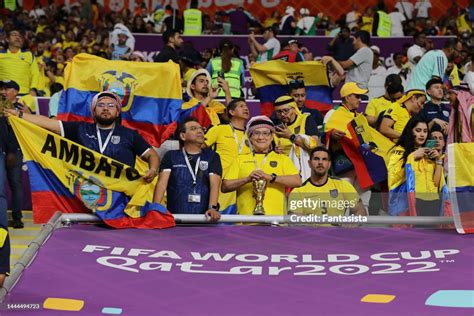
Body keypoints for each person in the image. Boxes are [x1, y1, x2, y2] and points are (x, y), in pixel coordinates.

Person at [4, 91, 159, 178]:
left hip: (121, 198)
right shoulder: (80, 129)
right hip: (86, 197)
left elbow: (152, 155)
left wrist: (152, 169)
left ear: (117, 111)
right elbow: (49, 123)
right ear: (93, 111)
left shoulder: (130, 135)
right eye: (101, 105)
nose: (106, 108)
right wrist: (19, 115)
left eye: (111, 106)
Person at [222, 116, 301, 216]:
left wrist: (271, 177)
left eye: (265, 133)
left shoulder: (282, 159)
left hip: (275, 221)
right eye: (256, 133)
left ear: (272, 136)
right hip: (245, 221)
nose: (261, 137)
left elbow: (297, 181)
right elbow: (225, 187)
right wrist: (247, 179)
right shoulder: (240, 159)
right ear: (250, 137)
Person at [153, 117, 221, 221]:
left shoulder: (212, 156)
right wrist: (155, 209)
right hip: (175, 219)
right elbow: (162, 184)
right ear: (183, 136)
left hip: (205, 219)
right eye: (193, 128)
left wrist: (212, 207)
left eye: (201, 129)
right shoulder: (171, 156)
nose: (199, 131)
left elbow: (214, 184)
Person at [324, 82, 372, 210]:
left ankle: (362, 227)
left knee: (364, 199)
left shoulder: (359, 117)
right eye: (356, 96)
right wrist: (332, 134)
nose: (360, 100)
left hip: (362, 165)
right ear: (347, 97)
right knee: (344, 200)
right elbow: (324, 135)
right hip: (346, 164)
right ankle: (342, 230)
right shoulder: (334, 114)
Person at [288, 146, 367, 220]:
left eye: (324, 159)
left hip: (337, 233)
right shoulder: (297, 192)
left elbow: (360, 211)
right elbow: (295, 218)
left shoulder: (343, 185)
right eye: (316, 159)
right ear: (309, 163)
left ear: (329, 164)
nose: (320, 162)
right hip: (311, 233)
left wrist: (352, 224)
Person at [388, 115, 445, 216]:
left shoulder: (430, 153)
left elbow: (436, 184)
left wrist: (438, 161)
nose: (422, 135)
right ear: (411, 131)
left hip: (433, 201)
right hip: (411, 201)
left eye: (425, 131)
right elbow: (394, 178)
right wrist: (412, 156)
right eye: (418, 130)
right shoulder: (400, 151)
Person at [204, 99, 251, 214]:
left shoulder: (252, 135)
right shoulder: (219, 129)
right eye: (241, 106)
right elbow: (200, 146)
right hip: (221, 182)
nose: (246, 108)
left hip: (243, 181)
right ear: (231, 112)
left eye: (246, 106)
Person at [272, 95, 319, 181]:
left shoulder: (306, 119)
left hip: (304, 166)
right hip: (284, 168)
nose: (282, 114)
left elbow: (315, 146)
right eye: (279, 112)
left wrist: (291, 136)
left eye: (286, 110)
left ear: (294, 108)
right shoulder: (274, 126)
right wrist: (274, 151)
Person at [0, 80, 26, 229]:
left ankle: (17, 218)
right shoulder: (3, 105)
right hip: (4, 149)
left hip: (13, 150)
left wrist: (11, 151)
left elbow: (15, 132)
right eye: (3, 89)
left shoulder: (19, 108)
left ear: (16, 91)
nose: (4, 92)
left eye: (7, 89)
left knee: (15, 184)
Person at [0, 29, 40, 95]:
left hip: (25, 94)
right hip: (4, 94)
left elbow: (35, 73)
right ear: (7, 39)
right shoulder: (1, 54)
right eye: (14, 35)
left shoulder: (29, 55)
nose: (18, 37)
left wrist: (33, 89)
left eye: (20, 36)